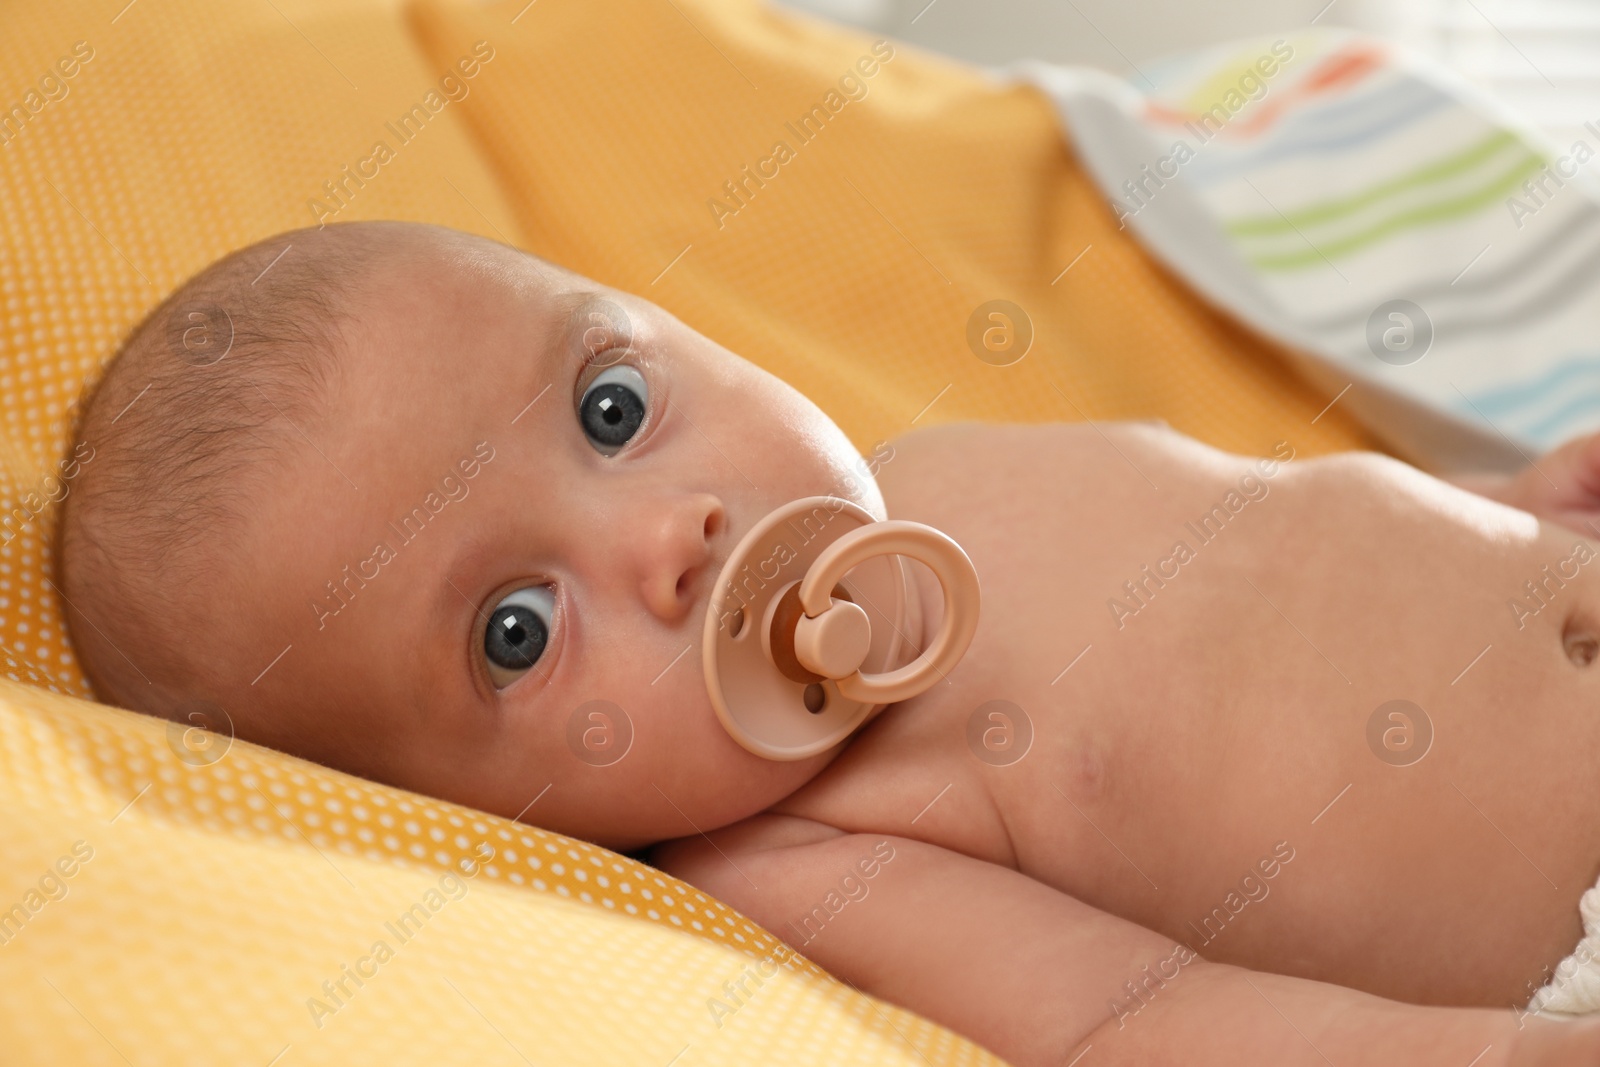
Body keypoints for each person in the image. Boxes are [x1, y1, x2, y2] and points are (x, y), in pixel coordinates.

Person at [57, 220, 1600, 1065]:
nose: (668, 544)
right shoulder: (808, 858)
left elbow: (1281, 541)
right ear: (466, 813)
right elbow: (1141, 1027)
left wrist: (1499, 515)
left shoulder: (925, 476)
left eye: (612, 410)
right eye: (517, 633)